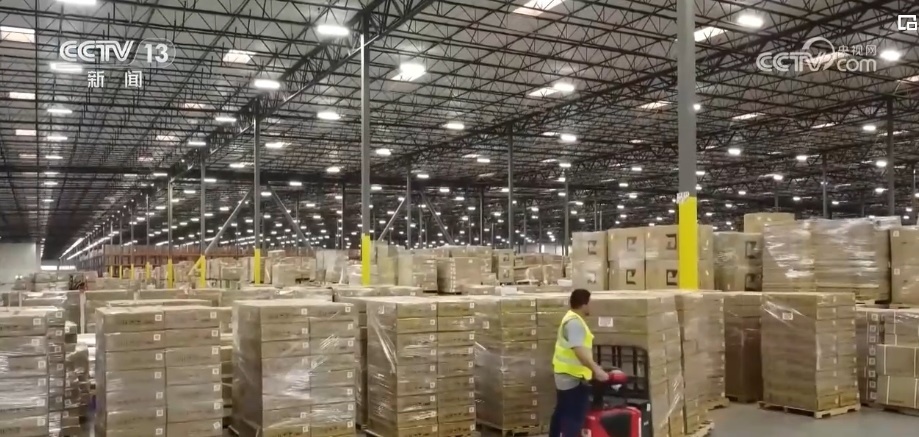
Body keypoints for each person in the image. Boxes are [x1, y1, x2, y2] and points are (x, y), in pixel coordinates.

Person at [548, 288, 617, 437]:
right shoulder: (575, 323)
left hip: (566, 375)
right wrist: (597, 370)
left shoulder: (570, 318)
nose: (591, 306)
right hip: (572, 378)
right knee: (573, 418)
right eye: (590, 303)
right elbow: (579, 351)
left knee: (561, 412)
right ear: (584, 304)